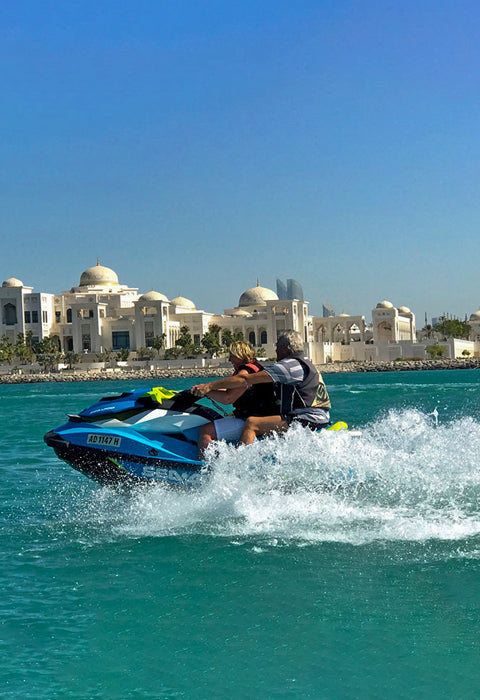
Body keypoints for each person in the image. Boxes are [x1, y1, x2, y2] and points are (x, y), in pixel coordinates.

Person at [191, 330, 331, 445]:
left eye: (277, 349)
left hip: (307, 417)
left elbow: (244, 380)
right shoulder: (306, 363)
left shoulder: (288, 366)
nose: (276, 354)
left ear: (284, 349)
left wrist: (209, 386)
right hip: (319, 416)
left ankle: (238, 466)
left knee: (252, 424)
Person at [192, 341, 276, 457]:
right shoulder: (254, 368)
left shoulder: (245, 372)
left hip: (249, 420)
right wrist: (206, 390)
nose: (230, 360)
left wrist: (208, 389)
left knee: (206, 431)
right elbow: (229, 392)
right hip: (258, 417)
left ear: (240, 355)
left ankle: (204, 468)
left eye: (232, 356)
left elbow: (228, 398)